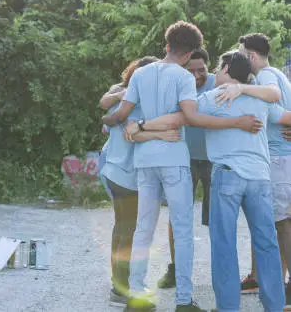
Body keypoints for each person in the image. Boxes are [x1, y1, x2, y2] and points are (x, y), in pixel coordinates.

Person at [103, 21, 261, 312]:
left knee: (143, 229)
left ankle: (137, 295)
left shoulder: (141, 74)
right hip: (173, 159)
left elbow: (122, 113)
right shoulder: (183, 77)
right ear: (189, 54)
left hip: (143, 160)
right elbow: (191, 117)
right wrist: (235, 122)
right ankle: (183, 300)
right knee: (184, 228)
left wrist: (111, 122)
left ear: (167, 46)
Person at [126, 50, 288, 312]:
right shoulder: (261, 98)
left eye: (218, 69)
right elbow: (283, 115)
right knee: (266, 243)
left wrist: (142, 125)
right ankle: (274, 306)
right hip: (259, 178)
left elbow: (182, 117)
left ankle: (228, 308)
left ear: (225, 68)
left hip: (227, 177)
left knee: (224, 244)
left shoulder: (213, 98)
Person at [98, 56, 182, 307]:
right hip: (126, 173)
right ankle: (121, 289)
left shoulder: (134, 99)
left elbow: (120, 126)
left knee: (122, 227)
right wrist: (163, 133)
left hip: (114, 169)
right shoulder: (130, 97)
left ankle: (117, 282)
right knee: (130, 230)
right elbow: (132, 132)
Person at [217, 33, 291, 306]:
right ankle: (274, 284)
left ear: (251, 56)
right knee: (275, 225)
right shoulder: (272, 76)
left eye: (241, 53)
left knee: (282, 225)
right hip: (279, 159)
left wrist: (241, 89)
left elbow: (275, 102)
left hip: (279, 160)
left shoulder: (266, 77)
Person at [158, 48, 215, 290]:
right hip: (184, 159)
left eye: (200, 69)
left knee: (217, 218)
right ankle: (175, 267)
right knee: (177, 216)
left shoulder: (217, 83)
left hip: (214, 160)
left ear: (208, 67)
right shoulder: (176, 83)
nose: (195, 75)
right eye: (190, 70)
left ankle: (220, 271)